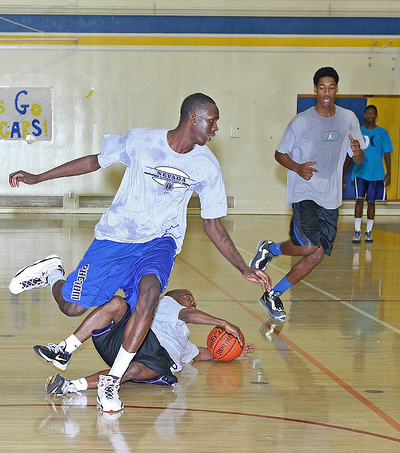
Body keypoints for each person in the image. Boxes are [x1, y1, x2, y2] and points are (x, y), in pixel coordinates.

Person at [8, 93, 270, 412]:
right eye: (212, 121)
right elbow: (94, 161)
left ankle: (112, 381)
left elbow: (213, 224)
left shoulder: (207, 166)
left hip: (160, 241)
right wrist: (39, 177)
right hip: (117, 237)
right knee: (72, 307)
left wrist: (242, 267)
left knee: (150, 292)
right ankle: (52, 273)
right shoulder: (141, 142)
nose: (216, 128)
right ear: (193, 118)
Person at [249, 67, 365, 321]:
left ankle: (273, 291)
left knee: (316, 256)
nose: (327, 92)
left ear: (336, 89)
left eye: (331, 87)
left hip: (330, 196)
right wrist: (297, 167)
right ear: (315, 89)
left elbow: (358, 157)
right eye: (322, 87)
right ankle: (271, 250)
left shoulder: (348, 119)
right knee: (309, 246)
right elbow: (280, 154)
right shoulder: (301, 122)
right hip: (305, 191)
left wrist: (357, 152)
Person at [38, 289, 255, 399]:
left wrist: (232, 350)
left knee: (131, 370)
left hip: (155, 360)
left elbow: (198, 354)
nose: (194, 302)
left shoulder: (182, 336)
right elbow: (188, 315)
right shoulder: (166, 304)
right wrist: (223, 324)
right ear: (175, 297)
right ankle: (65, 348)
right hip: (138, 340)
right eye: (188, 297)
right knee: (117, 303)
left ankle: (68, 386)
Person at [343, 104, 392, 244]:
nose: (370, 115)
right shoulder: (358, 132)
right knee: (359, 200)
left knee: (371, 202)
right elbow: (350, 154)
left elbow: (387, 154)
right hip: (360, 171)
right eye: (368, 113)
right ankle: (357, 230)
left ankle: (369, 231)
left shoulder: (382, 133)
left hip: (376, 173)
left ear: (376, 115)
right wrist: (343, 172)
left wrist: (389, 173)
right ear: (364, 115)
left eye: (372, 113)